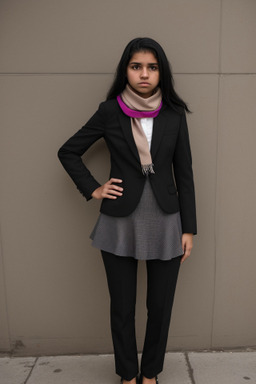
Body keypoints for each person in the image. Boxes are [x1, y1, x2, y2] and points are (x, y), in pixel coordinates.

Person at [58, 37, 197, 384]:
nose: (144, 74)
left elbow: (185, 173)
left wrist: (188, 228)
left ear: (161, 72)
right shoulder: (109, 111)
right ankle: (127, 374)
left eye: (152, 67)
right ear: (126, 71)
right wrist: (94, 188)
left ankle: (150, 374)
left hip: (166, 219)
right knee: (122, 308)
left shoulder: (174, 114)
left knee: (159, 308)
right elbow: (68, 151)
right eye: (136, 67)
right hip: (119, 220)